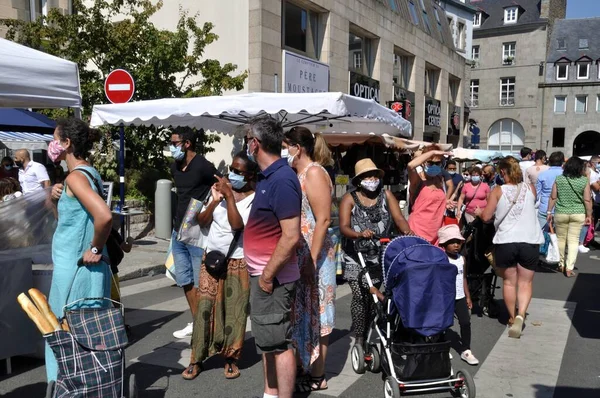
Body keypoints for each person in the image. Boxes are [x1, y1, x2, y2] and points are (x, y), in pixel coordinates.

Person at [45, 118, 113, 381]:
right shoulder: (86, 174)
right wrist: (55, 199)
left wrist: (94, 248)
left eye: (55, 139)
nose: (52, 145)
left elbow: (104, 216)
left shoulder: (76, 178)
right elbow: (73, 219)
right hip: (82, 271)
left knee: (65, 336)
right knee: (88, 336)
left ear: (67, 144)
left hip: (76, 272)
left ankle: (66, 388)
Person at [183, 152, 257, 381]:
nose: (232, 175)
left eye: (238, 171)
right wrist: (215, 200)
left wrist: (229, 198)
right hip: (211, 258)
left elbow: (238, 225)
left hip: (238, 260)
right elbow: (202, 221)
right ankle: (196, 358)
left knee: (234, 312)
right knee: (204, 308)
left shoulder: (255, 198)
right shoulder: (218, 193)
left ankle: (231, 358)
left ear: (250, 176)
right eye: (231, 170)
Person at [243, 117, 302, 398]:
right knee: (268, 341)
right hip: (263, 274)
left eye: (246, 139)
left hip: (273, 278)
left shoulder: (282, 179)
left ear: (255, 144)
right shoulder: (269, 176)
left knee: (279, 343)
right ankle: (270, 392)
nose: (245, 145)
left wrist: (267, 275)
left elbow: (291, 236)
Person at [282, 127, 336, 392]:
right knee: (305, 313)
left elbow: (323, 219)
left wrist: (312, 260)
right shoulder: (299, 172)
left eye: (286, 146)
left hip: (317, 256)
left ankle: (319, 373)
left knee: (320, 313)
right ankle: (306, 364)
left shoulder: (314, 172)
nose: (285, 151)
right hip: (303, 255)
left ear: (297, 147)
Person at [340, 158, 412, 349]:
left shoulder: (386, 195)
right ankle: (359, 337)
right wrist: (359, 234)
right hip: (356, 255)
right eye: (367, 176)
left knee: (375, 297)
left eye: (374, 176)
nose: (372, 179)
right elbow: (344, 227)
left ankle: (373, 326)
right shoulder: (349, 198)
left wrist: (408, 232)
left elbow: (398, 218)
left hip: (381, 253)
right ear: (359, 180)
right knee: (359, 296)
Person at [476, 156, 543, 339]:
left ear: (503, 172)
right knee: (525, 282)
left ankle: (512, 318)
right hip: (530, 240)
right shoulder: (530, 188)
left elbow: (487, 216)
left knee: (509, 282)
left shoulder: (498, 190)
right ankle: (521, 313)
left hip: (506, 240)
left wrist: (479, 212)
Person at [170, 128, 220, 339]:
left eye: (175, 143)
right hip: (178, 231)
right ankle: (197, 322)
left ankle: (209, 326)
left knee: (202, 283)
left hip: (198, 232)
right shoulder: (175, 165)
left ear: (187, 143)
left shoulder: (202, 166)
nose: (172, 147)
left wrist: (211, 206)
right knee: (185, 281)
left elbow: (222, 183)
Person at [438, 225, 479, 366]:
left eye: (458, 242)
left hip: (460, 296)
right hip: (445, 298)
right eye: (452, 242)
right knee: (443, 323)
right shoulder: (442, 259)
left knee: (465, 322)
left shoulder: (462, 259)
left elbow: (464, 278)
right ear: (443, 244)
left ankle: (466, 349)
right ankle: (441, 348)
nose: (456, 245)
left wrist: (468, 296)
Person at [547, 157, 593, 277]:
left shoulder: (559, 179)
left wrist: (548, 212)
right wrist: (589, 215)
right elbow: (587, 200)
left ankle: (561, 264)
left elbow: (553, 197)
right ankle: (569, 267)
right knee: (573, 241)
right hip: (578, 213)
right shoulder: (583, 181)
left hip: (561, 212)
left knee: (561, 239)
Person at [407, 146, 452, 244]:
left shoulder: (439, 179)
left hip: (436, 231)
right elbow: (410, 165)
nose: (434, 166)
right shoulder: (418, 180)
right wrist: (433, 152)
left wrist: (446, 202)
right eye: (430, 163)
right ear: (423, 163)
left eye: (437, 163)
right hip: (418, 230)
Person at [535, 152, 565, 229]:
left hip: (545, 207)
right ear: (562, 162)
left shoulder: (543, 174)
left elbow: (537, 194)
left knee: (542, 234)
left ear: (550, 162)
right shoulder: (565, 175)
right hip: (562, 208)